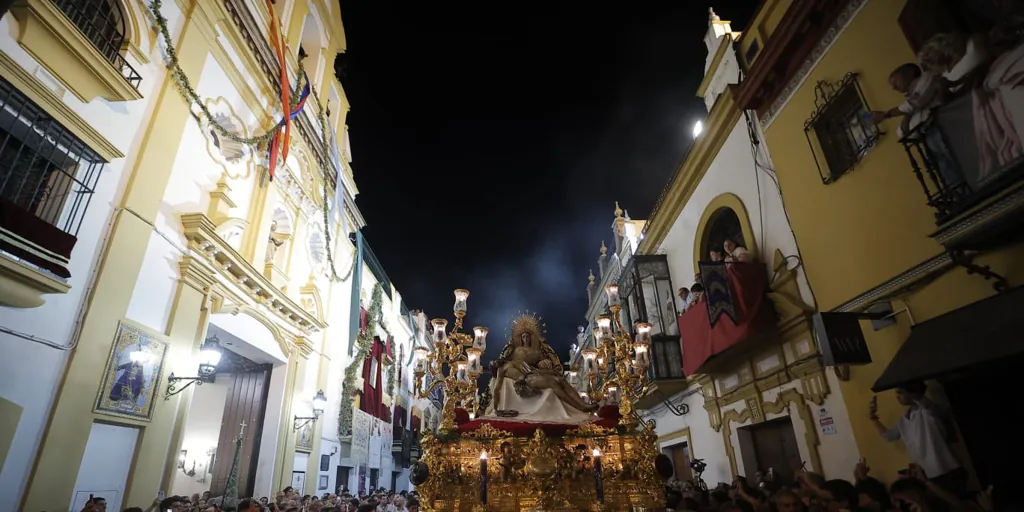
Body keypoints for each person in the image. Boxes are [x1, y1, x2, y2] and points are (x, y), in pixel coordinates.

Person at [870, 381, 966, 496]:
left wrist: (913, 393)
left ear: (912, 393)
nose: (897, 396)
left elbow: (927, 405)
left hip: (946, 469)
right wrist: (873, 418)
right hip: (927, 475)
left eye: (900, 392)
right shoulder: (903, 419)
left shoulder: (928, 411)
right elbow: (889, 436)